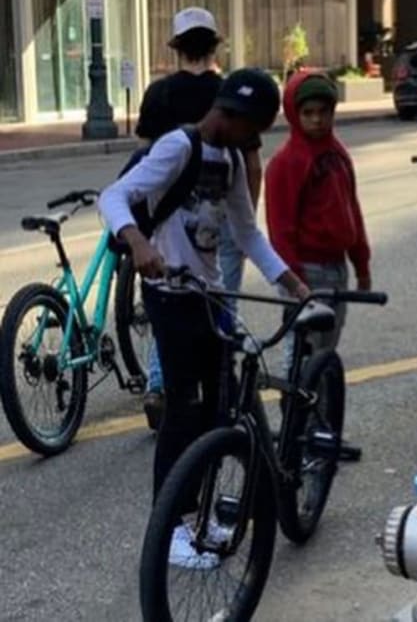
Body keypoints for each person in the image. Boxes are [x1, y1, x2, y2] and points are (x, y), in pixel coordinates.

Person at [99, 69, 308, 569]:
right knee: (183, 411)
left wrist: (291, 283)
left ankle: (204, 514)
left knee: (219, 410)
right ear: (230, 116)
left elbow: (248, 234)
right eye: (253, 130)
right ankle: (171, 524)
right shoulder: (178, 146)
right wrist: (139, 242)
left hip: (209, 297)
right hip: (168, 296)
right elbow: (112, 197)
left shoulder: (232, 159)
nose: (255, 142)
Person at [135, 6, 263, 429]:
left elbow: (145, 161)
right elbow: (251, 162)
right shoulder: (231, 93)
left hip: (169, 218)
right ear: (214, 45)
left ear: (176, 49)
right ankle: (218, 383)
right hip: (223, 212)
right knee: (219, 296)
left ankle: (162, 385)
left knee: (170, 299)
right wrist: (247, 215)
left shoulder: (159, 95)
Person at [264, 70, 371, 368]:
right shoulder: (286, 162)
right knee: (302, 349)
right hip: (305, 271)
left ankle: (321, 408)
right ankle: (297, 408)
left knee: (327, 349)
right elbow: (281, 229)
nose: (316, 120)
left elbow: (352, 210)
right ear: (294, 114)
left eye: (324, 112)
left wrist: (361, 263)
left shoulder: (337, 154)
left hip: (336, 267)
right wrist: (293, 278)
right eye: (308, 113)